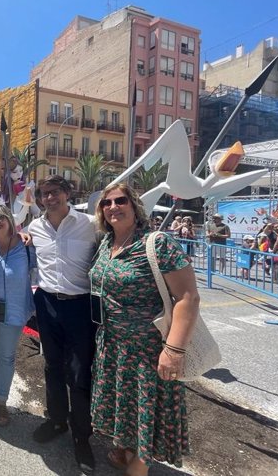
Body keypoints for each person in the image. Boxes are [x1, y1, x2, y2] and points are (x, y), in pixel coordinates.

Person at [89, 182, 200, 476]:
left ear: (134, 206)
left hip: (147, 350)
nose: (113, 207)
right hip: (112, 344)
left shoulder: (157, 243)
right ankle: (125, 452)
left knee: (143, 411)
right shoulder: (106, 243)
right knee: (124, 407)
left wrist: (174, 350)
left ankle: (138, 467)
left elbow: (188, 297)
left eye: (120, 200)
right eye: (106, 203)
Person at [27, 175, 98, 474]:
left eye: (55, 192)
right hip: (47, 302)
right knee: (51, 365)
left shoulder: (91, 224)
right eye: (45, 194)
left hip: (80, 305)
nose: (50, 198)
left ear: (67, 193)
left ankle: (82, 435)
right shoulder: (34, 227)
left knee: (80, 371)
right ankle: (56, 419)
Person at [0, 204, 35, 426]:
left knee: (7, 356)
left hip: (14, 311)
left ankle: (2, 400)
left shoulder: (26, 246)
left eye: (1, 217)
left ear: (10, 220)